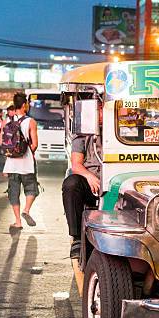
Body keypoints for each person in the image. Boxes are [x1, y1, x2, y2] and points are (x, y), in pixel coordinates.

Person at [62, 104, 102, 259]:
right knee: (71, 184)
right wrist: (90, 176)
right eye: (98, 109)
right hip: (92, 184)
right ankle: (77, 238)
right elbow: (76, 164)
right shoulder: (83, 135)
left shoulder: (127, 133)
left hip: (118, 185)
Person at [3, 93, 39, 230]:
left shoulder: (7, 121)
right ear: (24, 105)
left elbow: (5, 143)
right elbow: (35, 144)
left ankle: (18, 221)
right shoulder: (30, 121)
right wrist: (28, 153)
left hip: (11, 163)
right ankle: (26, 210)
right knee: (31, 188)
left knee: (13, 191)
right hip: (27, 163)